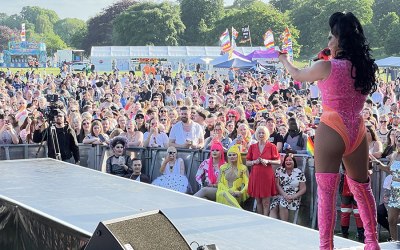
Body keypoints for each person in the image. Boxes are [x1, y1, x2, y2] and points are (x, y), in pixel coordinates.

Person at [279, 12, 380, 249]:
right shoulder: (365, 68)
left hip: (332, 127)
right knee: (362, 189)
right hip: (357, 129)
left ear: (340, 41)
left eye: (330, 38)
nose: (328, 43)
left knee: (326, 192)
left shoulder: (325, 66)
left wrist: (283, 59)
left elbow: (297, 74)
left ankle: (326, 246)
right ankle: (372, 242)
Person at [246, 126, 281, 216]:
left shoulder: (272, 146)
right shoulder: (252, 147)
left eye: (263, 133)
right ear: (256, 134)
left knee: (266, 201)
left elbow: (278, 161)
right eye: (259, 133)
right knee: (258, 201)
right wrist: (254, 162)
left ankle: (265, 218)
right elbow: (247, 162)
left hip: (267, 176)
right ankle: (259, 217)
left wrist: (268, 161)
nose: (261, 135)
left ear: (267, 134)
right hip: (255, 176)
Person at [270, 153, 306, 222]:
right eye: (286, 160)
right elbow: (277, 185)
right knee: (274, 206)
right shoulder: (279, 170)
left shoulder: (299, 173)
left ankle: (284, 225)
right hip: (281, 194)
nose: (288, 161)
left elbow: (303, 188)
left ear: (294, 162)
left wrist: (293, 196)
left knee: (282, 204)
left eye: (290, 160)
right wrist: (285, 195)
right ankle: (271, 225)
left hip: (293, 196)